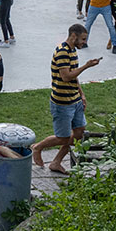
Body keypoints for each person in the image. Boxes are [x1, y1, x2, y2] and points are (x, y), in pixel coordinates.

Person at [32, 24, 99, 175]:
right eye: (83, 39)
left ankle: (56, 163)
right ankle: (38, 147)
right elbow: (66, 76)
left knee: (79, 134)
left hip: (75, 100)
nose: (84, 42)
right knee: (63, 138)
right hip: (62, 102)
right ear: (74, 36)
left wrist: (82, 95)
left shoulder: (73, 50)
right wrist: (86, 66)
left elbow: (74, 76)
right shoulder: (62, 52)